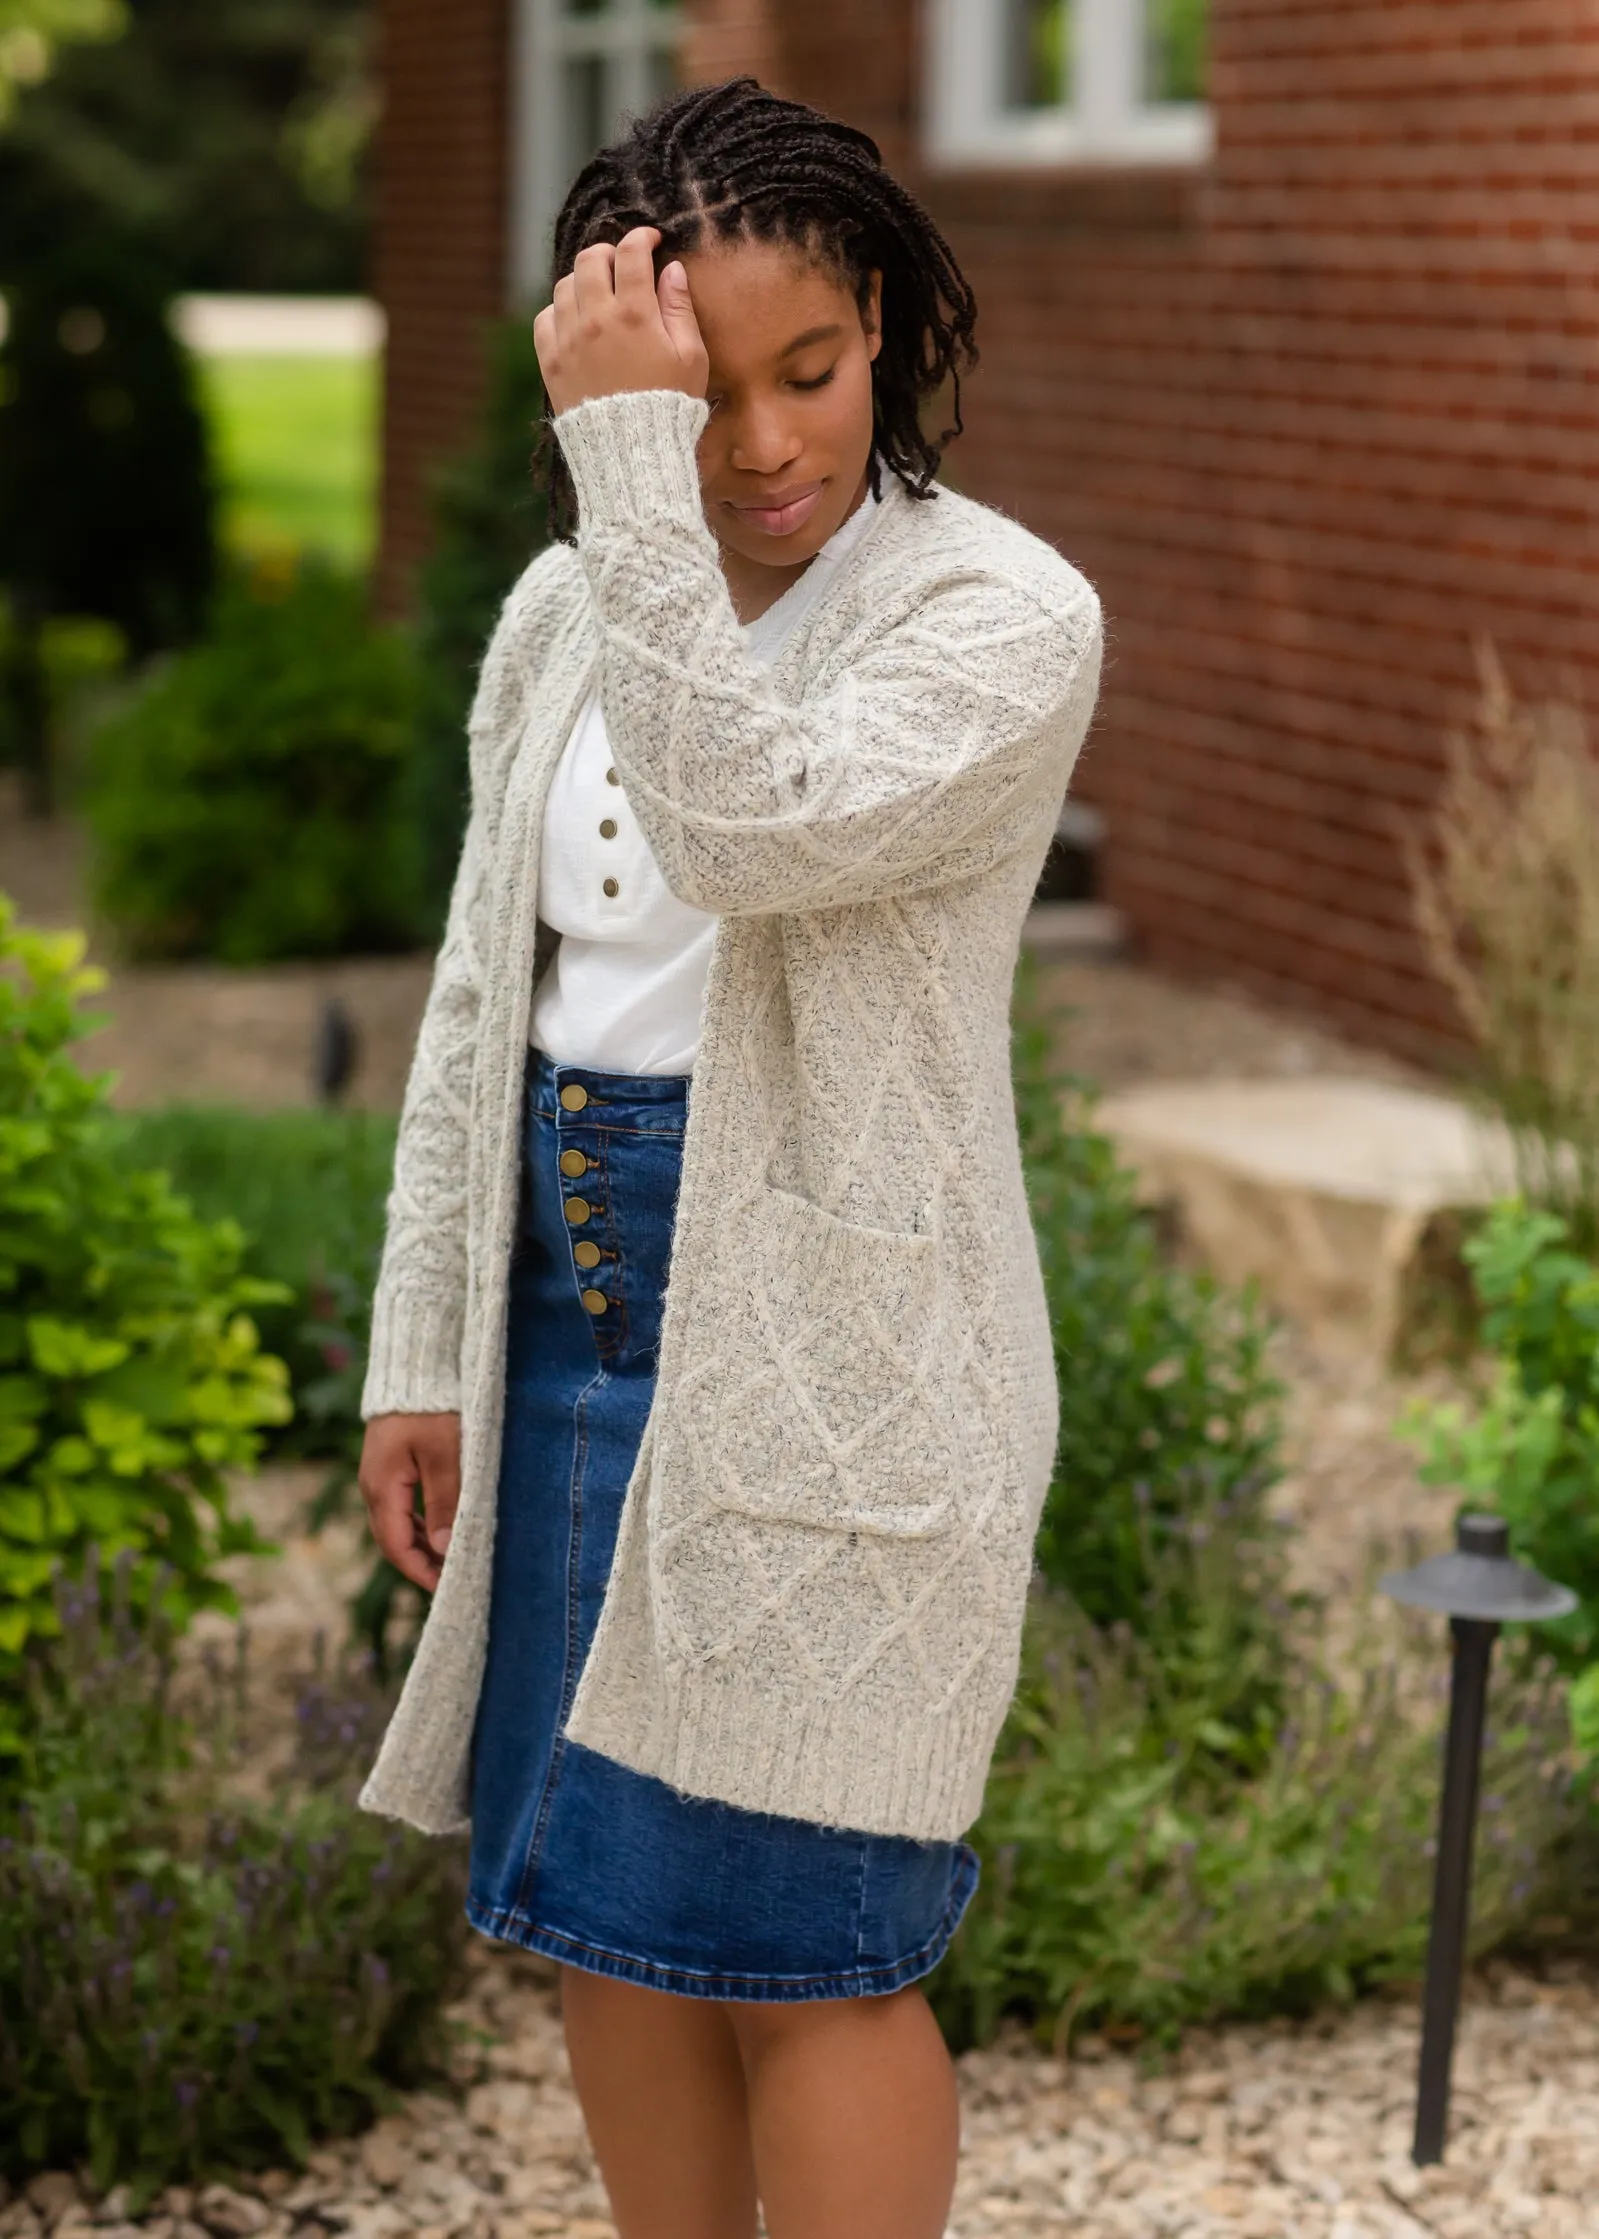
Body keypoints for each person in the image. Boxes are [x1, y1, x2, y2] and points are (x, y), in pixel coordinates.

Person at [356, 76, 1101, 2239]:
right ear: (614, 377)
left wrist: (625, 478)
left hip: (841, 1359)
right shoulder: (560, 620)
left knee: (813, 1954)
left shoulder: (998, 619)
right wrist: (427, 1344)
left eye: (814, 372)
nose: (764, 448)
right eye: (699, 396)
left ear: (888, 327)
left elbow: (747, 824)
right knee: (607, 1918)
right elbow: (482, 1010)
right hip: (563, 1315)